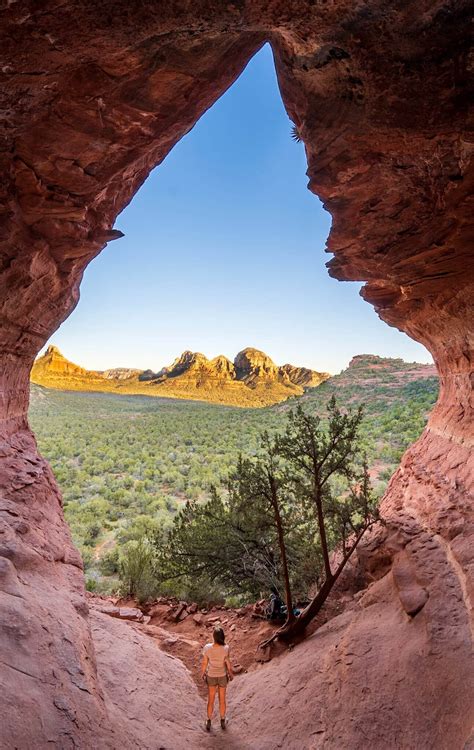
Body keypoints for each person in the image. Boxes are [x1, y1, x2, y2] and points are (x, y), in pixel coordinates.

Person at [201, 626, 234, 732]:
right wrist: (230, 673)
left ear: (213, 637)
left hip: (211, 675)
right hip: (222, 676)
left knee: (211, 699)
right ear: (222, 637)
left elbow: (205, 662)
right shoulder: (226, 648)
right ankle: (222, 720)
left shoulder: (207, 647)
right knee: (222, 699)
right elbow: (228, 663)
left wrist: (203, 673)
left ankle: (209, 721)